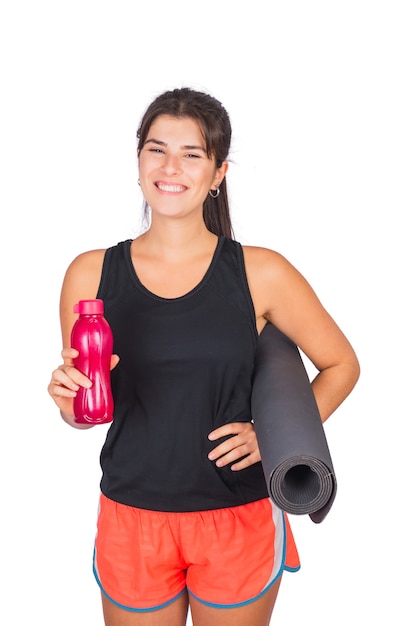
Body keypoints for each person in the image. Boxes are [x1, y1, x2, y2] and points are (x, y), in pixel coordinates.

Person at [48, 87, 360, 626]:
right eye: (156, 149)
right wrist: (68, 403)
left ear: (218, 173)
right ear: (138, 161)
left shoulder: (262, 272)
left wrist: (270, 433)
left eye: (192, 154)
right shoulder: (89, 273)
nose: (171, 167)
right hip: (132, 513)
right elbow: (86, 412)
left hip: (235, 514)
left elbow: (341, 364)